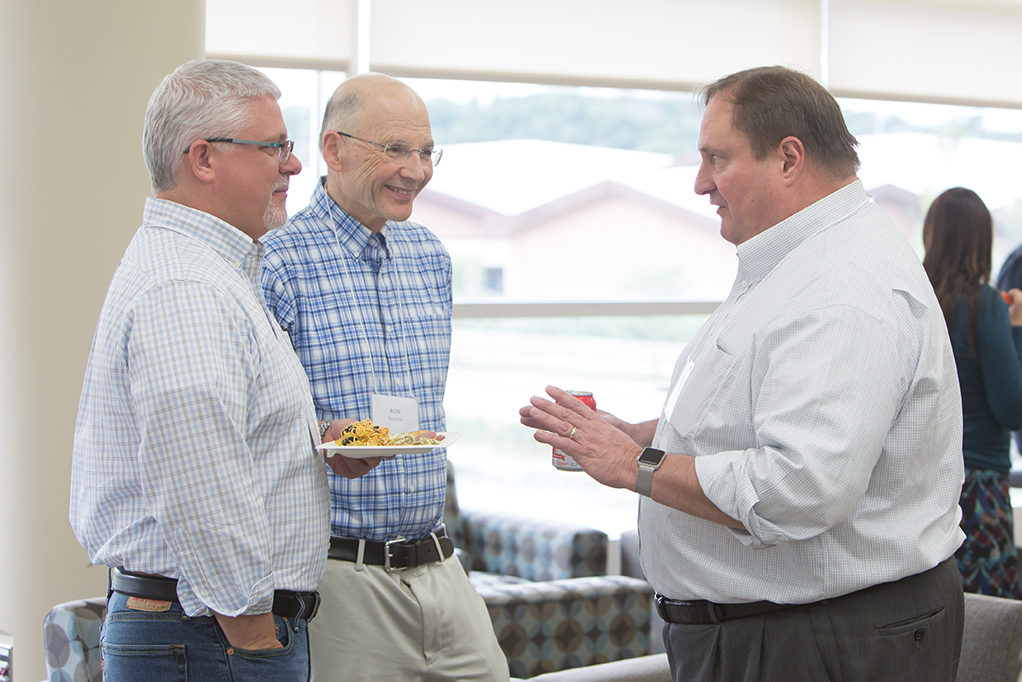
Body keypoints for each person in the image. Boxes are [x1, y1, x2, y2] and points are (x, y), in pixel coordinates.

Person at [520, 65, 966, 681]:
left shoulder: (842, 288)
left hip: (817, 639)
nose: (701, 184)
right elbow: (757, 410)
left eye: (716, 159)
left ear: (788, 159)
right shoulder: (798, 261)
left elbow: (800, 487)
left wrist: (634, 467)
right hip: (786, 631)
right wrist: (640, 434)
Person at [69, 58, 376, 681]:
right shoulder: (186, 288)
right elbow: (198, 479)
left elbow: (218, 440)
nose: (293, 165)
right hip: (212, 636)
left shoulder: (210, 273)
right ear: (203, 159)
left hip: (207, 632)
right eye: (274, 148)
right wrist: (254, 637)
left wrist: (312, 443)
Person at [260, 73, 508, 681]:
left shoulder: (429, 257)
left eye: (425, 152)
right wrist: (324, 438)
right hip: (339, 578)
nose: (417, 170)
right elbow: (252, 421)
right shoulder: (276, 261)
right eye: (395, 149)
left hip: (441, 563)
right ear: (333, 149)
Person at [923, 187, 1022, 599]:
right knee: (983, 622)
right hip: (977, 486)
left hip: (921, 482)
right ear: (980, 240)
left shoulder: (915, 300)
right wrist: (1014, 329)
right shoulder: (985, 304)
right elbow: (1013, 408)